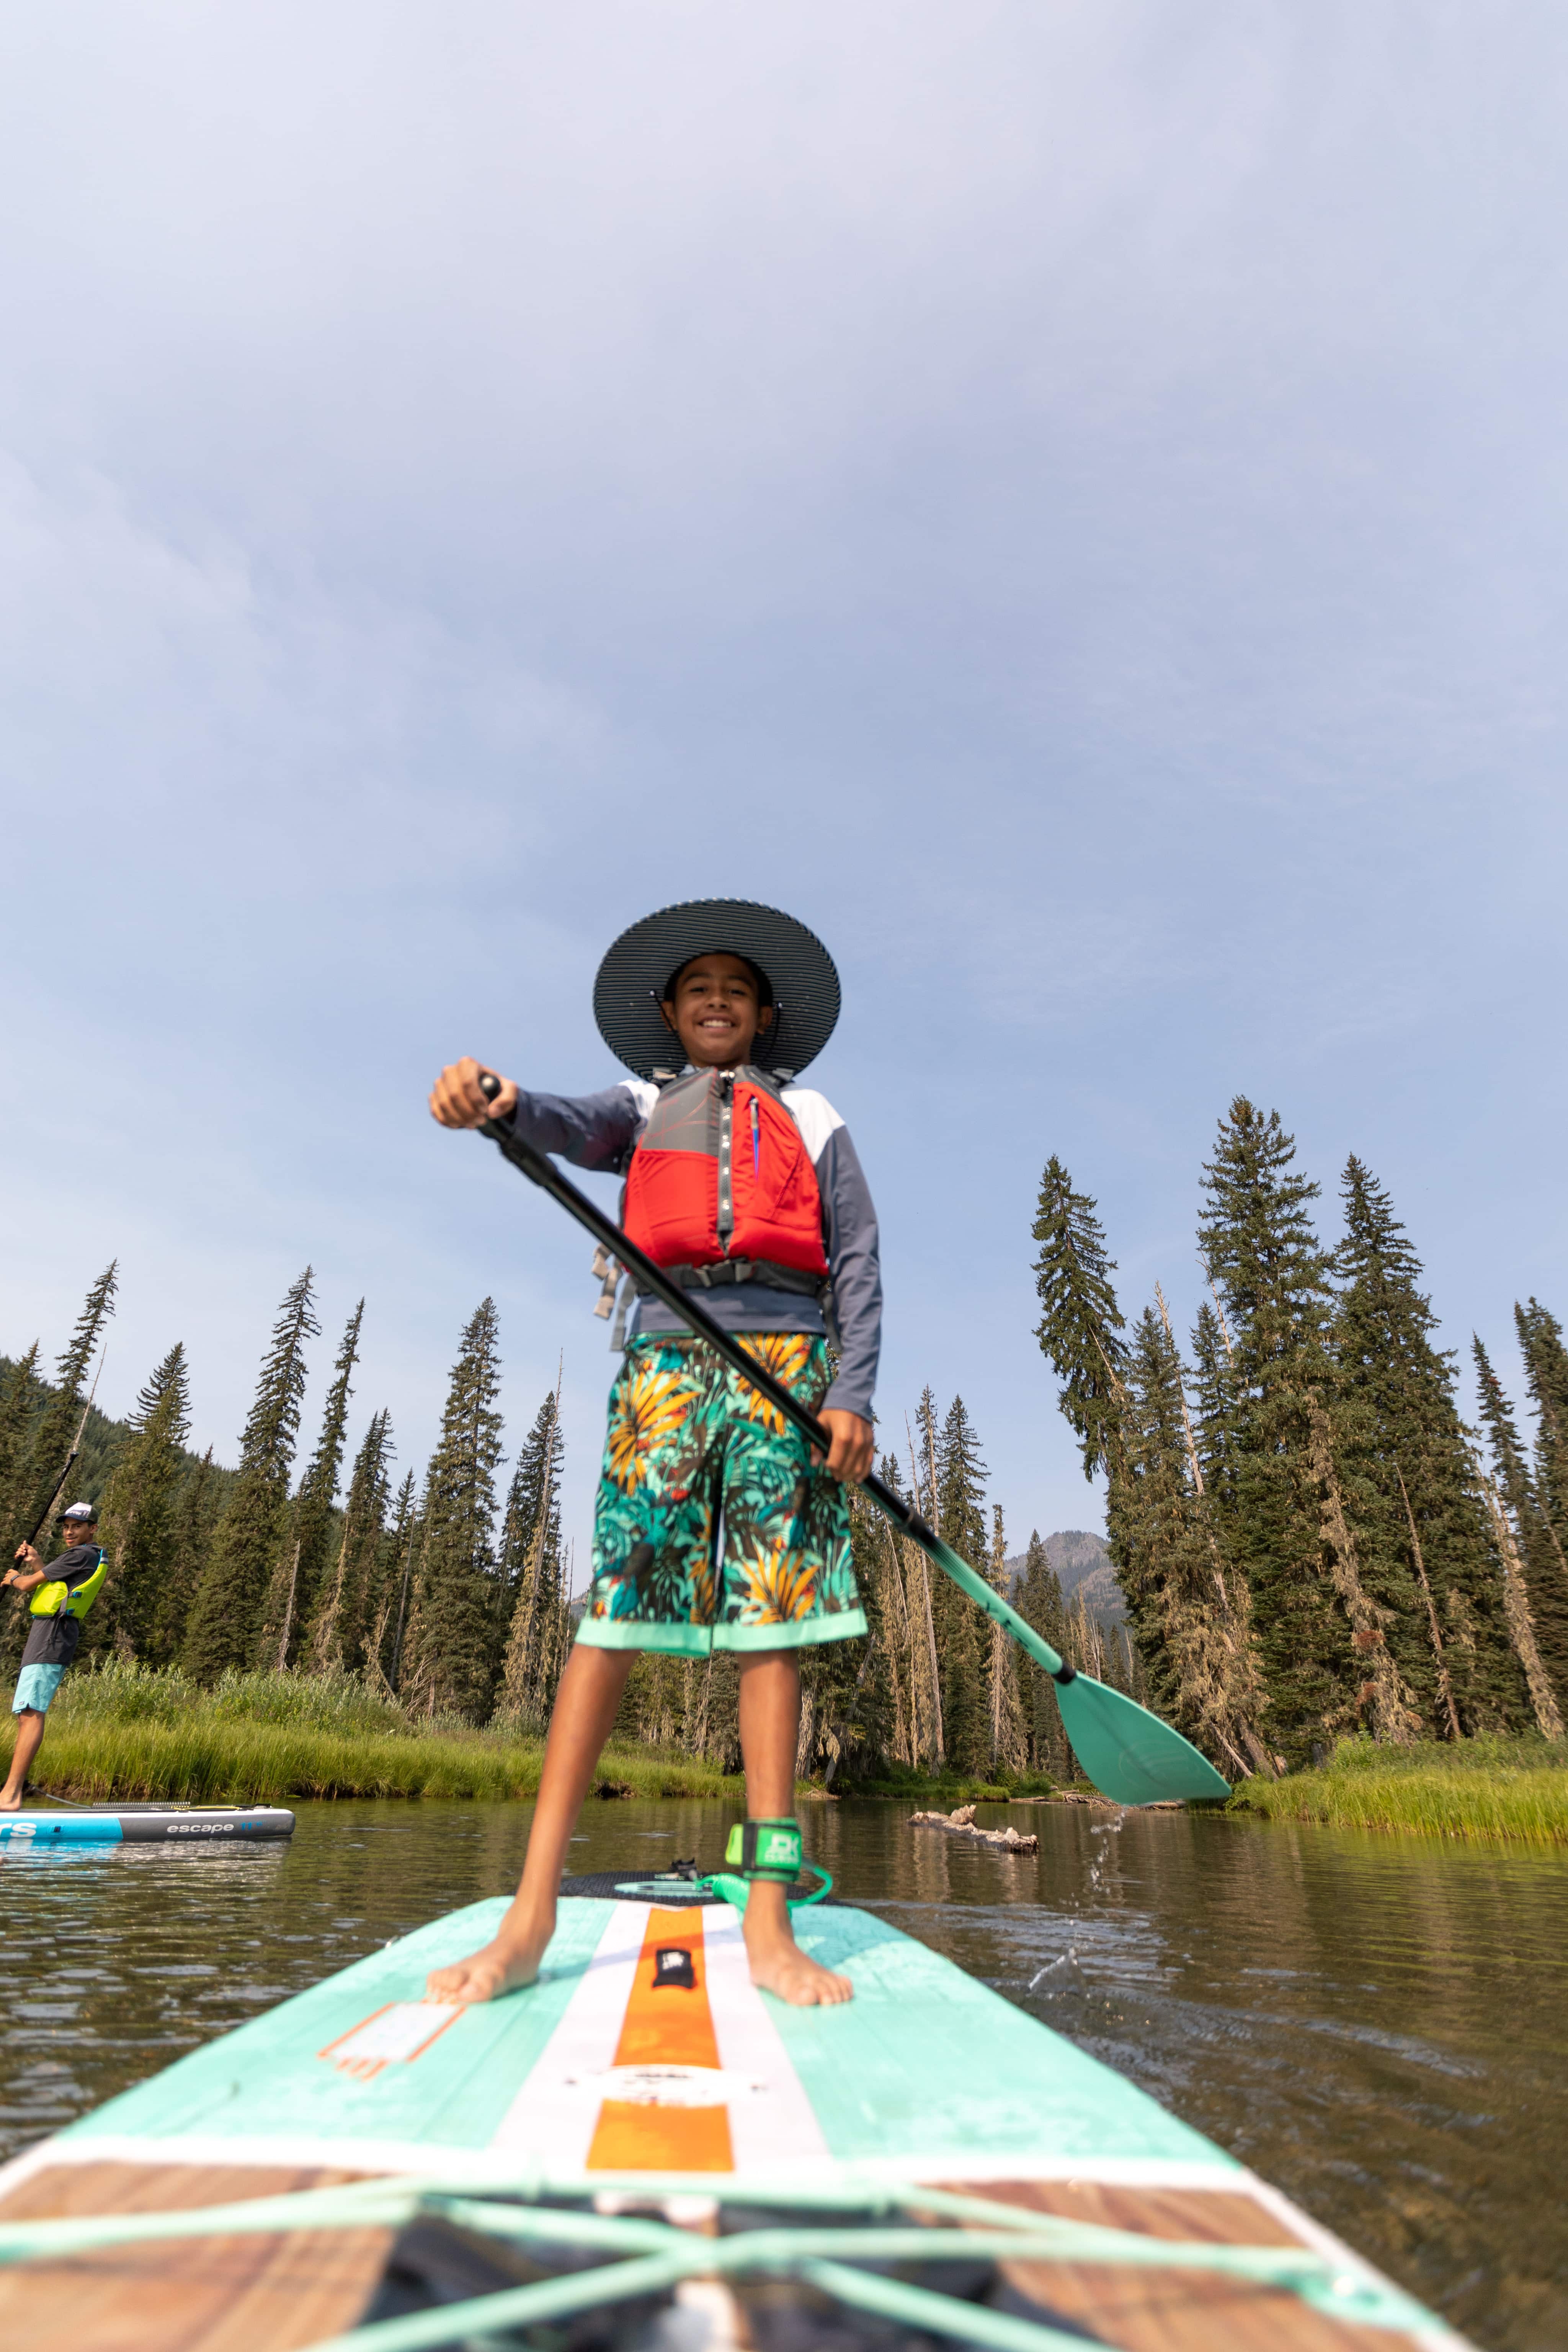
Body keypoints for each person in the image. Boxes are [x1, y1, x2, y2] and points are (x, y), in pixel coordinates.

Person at [426, 898, 880, 2009]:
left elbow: (858, 1256)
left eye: (736, 987)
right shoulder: (639, 1106)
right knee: (614, 1613)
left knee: (774, 1625)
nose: (717, 999)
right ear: (672, 1018)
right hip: (667, 1370)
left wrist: (852, 1395)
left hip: (790, 1364)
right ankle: (529, 1914)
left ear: (764, 1014)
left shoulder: (814, 1113)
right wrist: (499, 1100)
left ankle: (769, 1919)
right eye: (697, 989)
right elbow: (564, 1126)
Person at [2, 1502, 108, 1809]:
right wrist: (36, 1561)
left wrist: (13, 1578)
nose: (70, 1532)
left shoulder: (81, 1555)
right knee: (28, 1712)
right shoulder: (85, 1557)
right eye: (66, 1526)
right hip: (51, 1638)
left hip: (51, 1638)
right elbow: (55, 1588)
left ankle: (10, 1795)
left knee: (31, 1712)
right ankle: (11, 1793)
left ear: (92, 1529)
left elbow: (28, 1586)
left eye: (77, 1526)